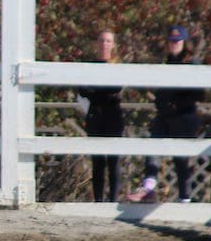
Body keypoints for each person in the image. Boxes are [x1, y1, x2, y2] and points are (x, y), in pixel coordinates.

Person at [126, 24, 204, 203]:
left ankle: (185, 198)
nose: (174, 44)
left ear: (184, 42)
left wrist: (177, 100)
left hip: (184, 116)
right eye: (171, 41)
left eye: (177, 41)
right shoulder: (168, 62)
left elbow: (199, 93)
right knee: (154, 145)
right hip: (165, 114)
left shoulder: (192, 63)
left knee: (181, 158)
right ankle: (148, 188)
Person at [78, 29, 124, 202]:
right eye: (102, 40)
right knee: (97, 162)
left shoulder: (117, 67)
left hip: (113, 117)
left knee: (113, 161)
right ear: (96, 44)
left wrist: (95, 91)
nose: (104, 44)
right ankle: (98, 201)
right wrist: (99, 92)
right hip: (95, 116)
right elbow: (82, 89)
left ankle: (112, 200)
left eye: (108, 41)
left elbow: (115, 89)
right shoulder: (89, 65)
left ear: (113, 45)